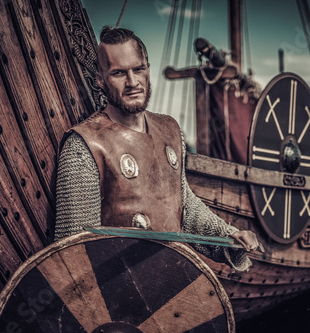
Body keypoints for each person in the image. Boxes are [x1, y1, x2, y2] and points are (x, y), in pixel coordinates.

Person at [54, 26, 262, 271]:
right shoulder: (84, 145)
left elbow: (184, 207)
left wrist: (229, 237)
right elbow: (74, 255)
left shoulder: (170, 129)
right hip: (119, 288)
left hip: (173, 283)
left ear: (148, 70)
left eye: (138, 69)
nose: (132, 82)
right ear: (100, 79)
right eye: (119, 73)